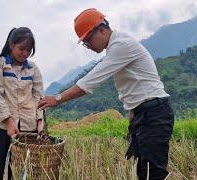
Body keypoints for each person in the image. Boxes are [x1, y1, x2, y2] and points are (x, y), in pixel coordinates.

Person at [38, 8, 174, 180]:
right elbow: (134, 88)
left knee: (153, 173)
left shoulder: (121, 46)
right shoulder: (115, 47)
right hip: (145, 114)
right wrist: (133, 115)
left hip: (154, 114)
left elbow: (89, 82)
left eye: (88, 40)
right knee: (143, 172)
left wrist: (57, 98)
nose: (88, 46)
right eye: (85, 43)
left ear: (101, 30)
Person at [0, 27, 44, 180]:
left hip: (27, 127)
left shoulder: (33, 69)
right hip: (3, 127)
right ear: (11, 44)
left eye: (29, 50)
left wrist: (39, 121)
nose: (24, 53)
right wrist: (10, 121)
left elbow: (38, 96)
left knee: (21, 171)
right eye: (21, 48)